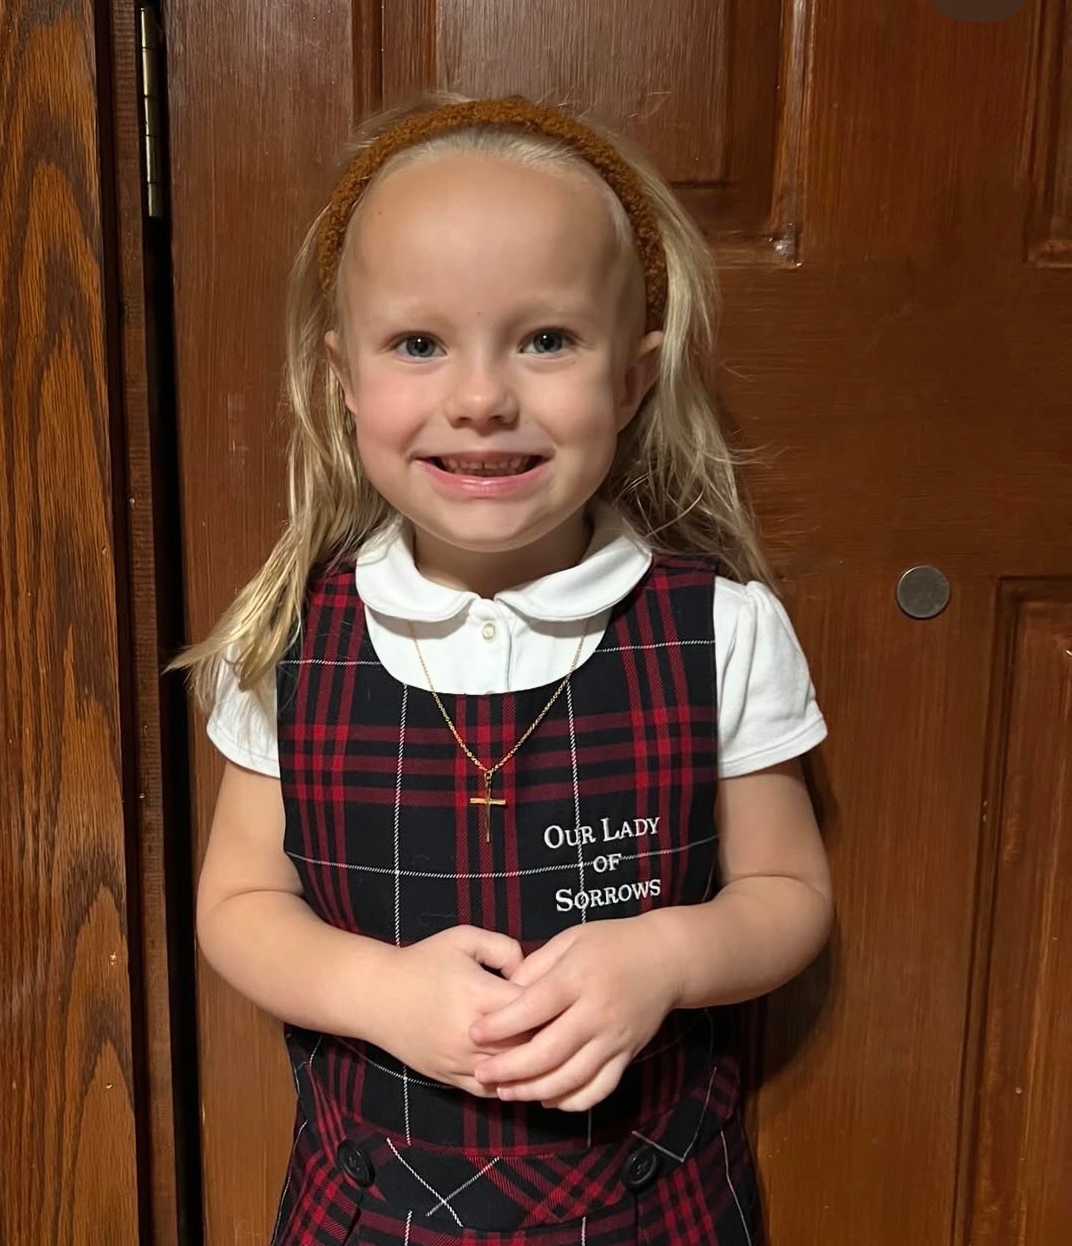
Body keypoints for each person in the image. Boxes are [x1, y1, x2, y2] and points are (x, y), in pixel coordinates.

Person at [175, 93, 833, 1246]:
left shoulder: (721, 629)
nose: (481, 399)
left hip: (654, 1205)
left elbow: (788, 892)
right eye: (419, 344)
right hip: (373, 1209)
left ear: (630, 381)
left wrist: (665, 957)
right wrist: (379, 992)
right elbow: (236, 905)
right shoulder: (286, 641)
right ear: (342, 376)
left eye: (546, 340)